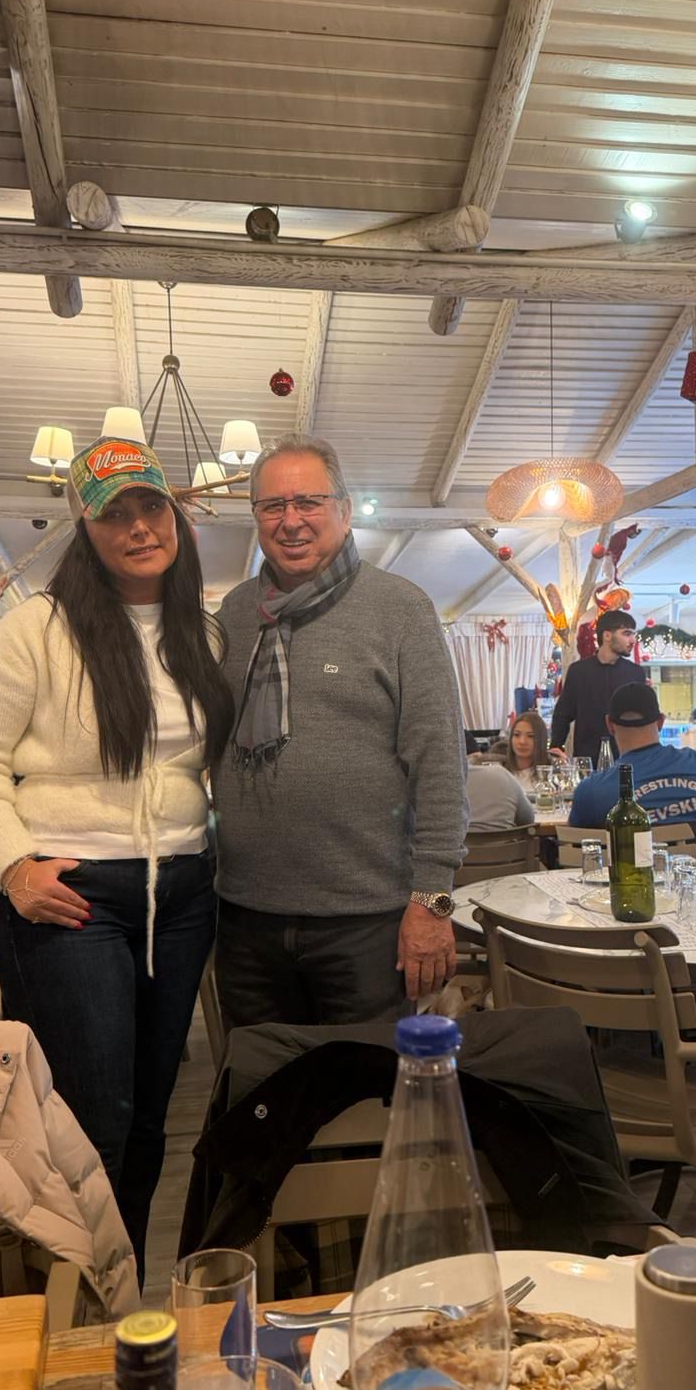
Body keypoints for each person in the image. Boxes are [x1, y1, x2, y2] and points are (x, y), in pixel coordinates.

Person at [0, 435, 234, 1279]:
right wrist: (12, 867)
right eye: (115, 514)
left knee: (150, 1118)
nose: (139, 527)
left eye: (151, 506)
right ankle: (75, 1302)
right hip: (73, 893)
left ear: (174, 514)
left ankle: (124, 1284)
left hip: (182, 891)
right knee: (90, 1119)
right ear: (86, 527)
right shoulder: (36, 629)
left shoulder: (203, 635)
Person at [212, 434, 468, 1029]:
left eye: (309, 501)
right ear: (255, 516)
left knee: (364, 1084)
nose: (291, 520)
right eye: (273, 506)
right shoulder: (235, 615)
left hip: (368, 922)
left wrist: (432, 902)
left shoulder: (401, 609)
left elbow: (439, 763)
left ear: (345, 511)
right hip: (245, 916)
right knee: (262, 1082)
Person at [570, 682, 696, 828]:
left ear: (610, 725)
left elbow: (577, 846)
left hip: (635, 876)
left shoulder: (590, 792)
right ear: (660, 722)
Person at [550, 611, 646, 762]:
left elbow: (644, 718)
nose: (633, 640)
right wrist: (556, 746)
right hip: (586, 760)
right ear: (607, 636)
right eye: (627, 634)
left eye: (634, 634)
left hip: (626, 759)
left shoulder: (635, 673)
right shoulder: (579, 671)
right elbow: (563, 713)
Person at [466, 758, 536, 831]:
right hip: (506, 837)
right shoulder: (503, 775)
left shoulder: (459, 783)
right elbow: (528, 819)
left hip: (464, 838)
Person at [503, 709, 562, 787]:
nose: (522, 741)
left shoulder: (552, 775)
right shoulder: (500, 772)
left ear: (541, 740)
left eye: (530, 736)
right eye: (517, 735)